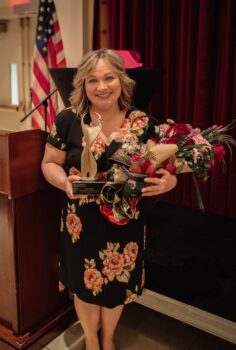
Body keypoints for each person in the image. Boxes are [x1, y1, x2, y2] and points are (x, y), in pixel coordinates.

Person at [41, 48, 177, 350]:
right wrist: (64, 182)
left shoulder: (143, 122)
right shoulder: (67, 120)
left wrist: (169, 181)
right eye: (92, 80)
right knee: (85, 285)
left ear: (122, 80)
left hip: (125, 220)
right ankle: (91, 341)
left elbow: (165, 167)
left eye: (108, 78)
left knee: (116, 286)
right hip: (81, 221)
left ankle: (109, 338)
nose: (101, 87)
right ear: (83, 85)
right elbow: (49, 163)